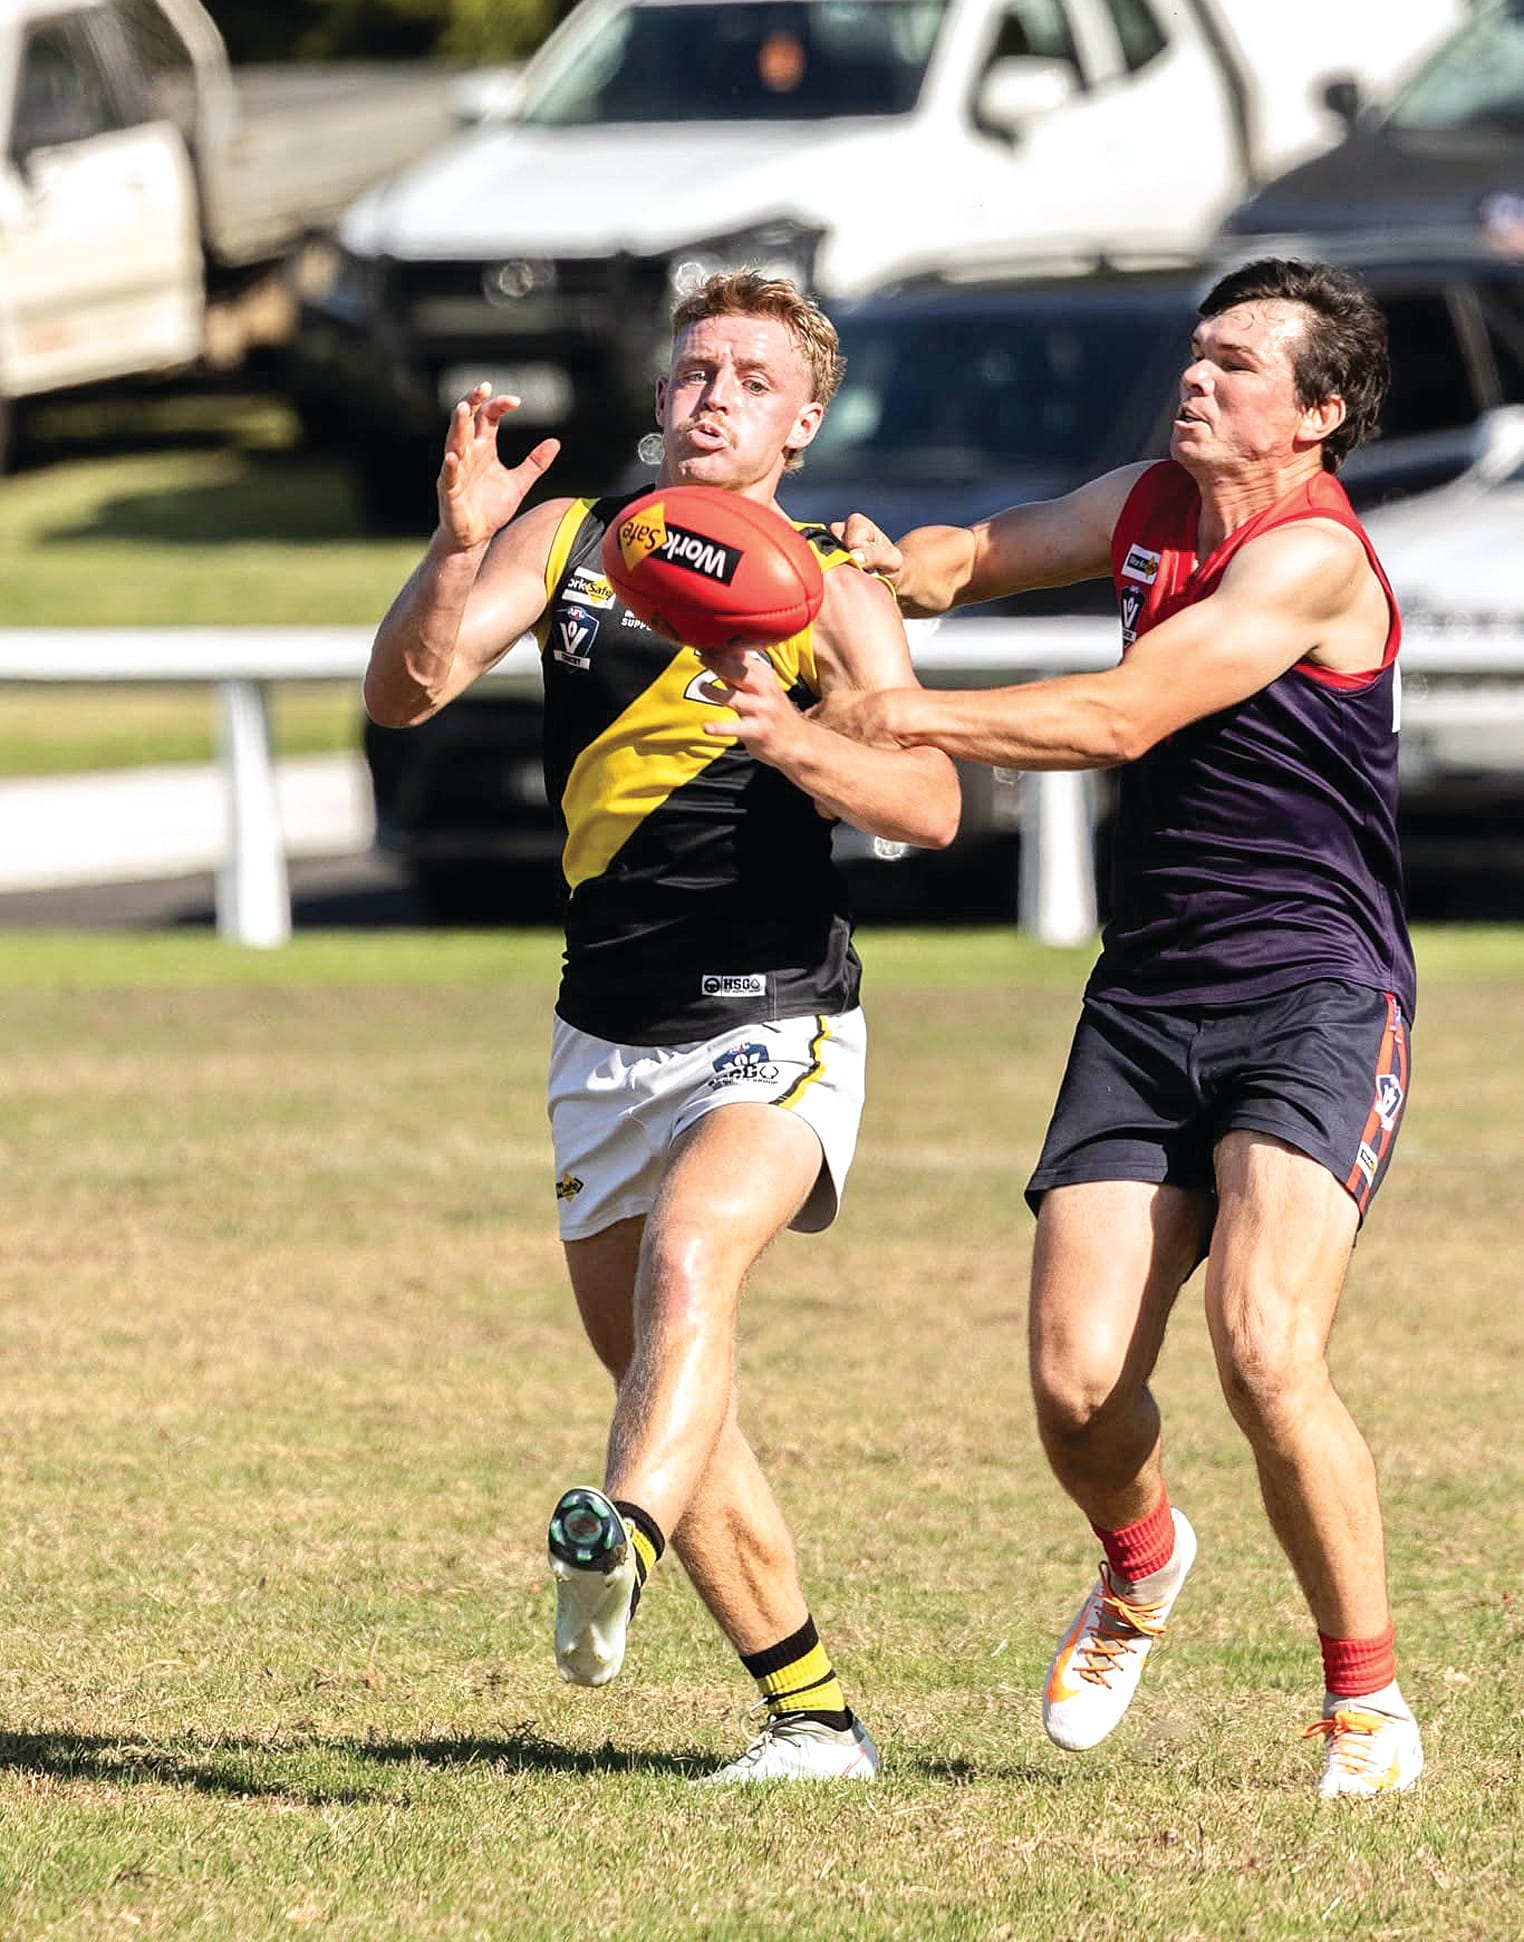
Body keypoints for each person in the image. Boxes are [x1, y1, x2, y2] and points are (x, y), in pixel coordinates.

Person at [824, 258, 1422, 1797]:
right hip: (1150, 991)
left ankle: (1367, 1702)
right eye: (1199, 352)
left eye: (1237, 364)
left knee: (1264, 1350)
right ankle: (1142, 1557)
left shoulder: (1313, 561)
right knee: (1078, 1385)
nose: (1200, 377)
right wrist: (891, 572)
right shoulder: (1153, 500)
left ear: (1318, 413)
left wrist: (907, 716)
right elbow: (986, 551)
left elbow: (1120, 717)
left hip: (1316, 992)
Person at [364, 271, 958, 1783]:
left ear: (802, 423)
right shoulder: (574, 541)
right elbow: (408, 687)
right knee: (668, 1381)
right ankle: (816, 1721)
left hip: (775, 1018)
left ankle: (606, 1535)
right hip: (601, 1031)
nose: (712, 395)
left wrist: (797, 737)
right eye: (695, 369)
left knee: (694, 1261)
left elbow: (936, 802)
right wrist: (451, 547)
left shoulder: (835, 581)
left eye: (751, 378)